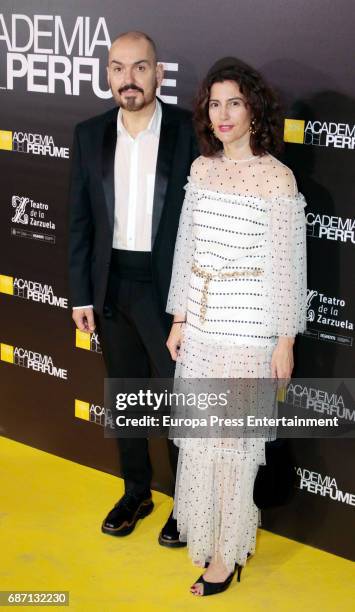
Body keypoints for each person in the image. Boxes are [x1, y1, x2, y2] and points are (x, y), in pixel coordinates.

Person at [166, 57, 307, 596]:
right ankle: (205, 537)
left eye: (234, 102)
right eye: (214, 103)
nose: (222, 114)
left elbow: (289, 267)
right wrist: (179, 318)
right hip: (201, 327)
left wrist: (285, 339)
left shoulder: (277, 178)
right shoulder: (202, 169)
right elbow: (187, 246)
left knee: (234, 448)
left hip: (249, 332)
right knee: (202, 443)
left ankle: (227, 555)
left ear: (254, 109)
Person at [68, 31, 198, 546]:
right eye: (118, 68)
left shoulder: (190, 132)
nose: (129, 79)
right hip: (110, 287)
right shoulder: (88, 133)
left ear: (158, 73)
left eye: (140, 67)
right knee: (126, 395)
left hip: (170, 291)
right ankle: (136, 492)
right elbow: (80, 221)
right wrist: (81, 295)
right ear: (108, 75)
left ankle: (188, 504)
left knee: (180, 399)